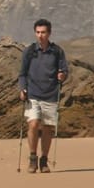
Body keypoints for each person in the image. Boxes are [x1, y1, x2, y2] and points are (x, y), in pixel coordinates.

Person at [17, 19, 68, 173]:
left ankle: (44, 160)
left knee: (48, 129)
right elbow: (22, 74)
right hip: (33, 94)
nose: (40, 35)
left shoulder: (57, 51)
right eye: (38, 32)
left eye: (43, 32)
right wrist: (22, 89)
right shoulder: (29, 51)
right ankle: (33, 158)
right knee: (33, 124)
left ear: (49, 33)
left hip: (51, 94)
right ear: (35, 33)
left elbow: (65, 71)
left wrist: (62, 76)